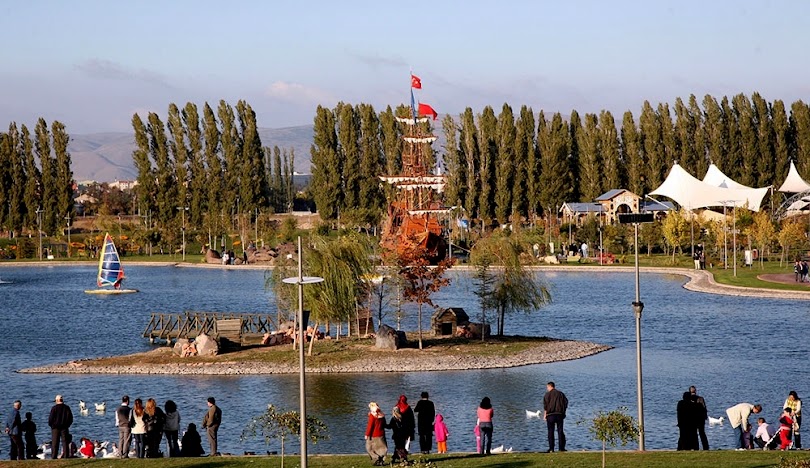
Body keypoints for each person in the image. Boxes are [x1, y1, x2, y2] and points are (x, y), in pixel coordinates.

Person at [543, 382, 568, 453]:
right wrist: (563, 412)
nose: (547, 389)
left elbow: (545, 406)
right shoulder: (561, 394)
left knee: (550, 432)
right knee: (560, 431)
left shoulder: (547, 395)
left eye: (547, 387)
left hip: (550, 415)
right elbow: (565, 403)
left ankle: (551, 448)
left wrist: (545, 415)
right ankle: (561, 448)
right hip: (559, 414)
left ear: (549, 386)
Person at [48, 394, 73, 459]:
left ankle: (54, 456)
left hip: (55, 428)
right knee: (65, 442)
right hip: (64, 427)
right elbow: (70, 418)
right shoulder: (67, 408)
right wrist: (67, 425)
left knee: (55, 443)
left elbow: (51, 419)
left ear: (57, 400)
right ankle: (66, 456)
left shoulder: (54, 408)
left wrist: (52, 426)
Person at [364, 402, 387, 466]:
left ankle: (376, 459)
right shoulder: (382, 415)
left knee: (369, 447)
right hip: (381, 434)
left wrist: (367, 434)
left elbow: (370, 426)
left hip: (373, 435)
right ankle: (381, 460)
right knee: (381, 448)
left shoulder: (372, 416)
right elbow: (384, 424)